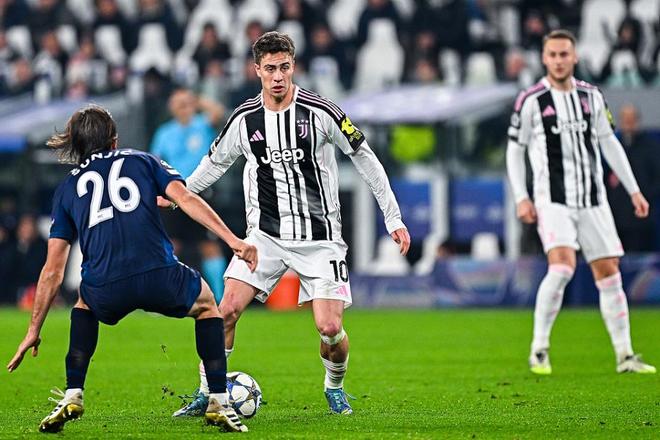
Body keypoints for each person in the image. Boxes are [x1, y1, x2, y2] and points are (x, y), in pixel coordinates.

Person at [168, 31, 410, 416]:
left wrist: (392, 215)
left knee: (330, 329)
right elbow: (213, 165)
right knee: (224, 310)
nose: (278, 76)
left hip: (320, 240)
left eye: (284, 67)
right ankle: (206, 392)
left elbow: (364, 157)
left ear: (293, 66)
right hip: (264, 238)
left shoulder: (321, 112)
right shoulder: (245, 119)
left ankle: (334, 386)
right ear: (257, 70)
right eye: (270, 69)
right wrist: (177, 195)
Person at [6, 105, 258, 433]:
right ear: (114, 140)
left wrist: (33, 329)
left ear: (76, 145)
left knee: (83, 305)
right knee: (208, 305)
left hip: (105, 286)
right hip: (158, 273)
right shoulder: (142, 160)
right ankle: (219, 401)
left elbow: (53, 269)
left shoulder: (67, 188)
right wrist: (233, 240)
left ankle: (73, 393)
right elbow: (186, 199)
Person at [506, 29, 656, 375]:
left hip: (593, 199)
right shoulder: (531, 100)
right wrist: (521, 197)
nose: (559, 60)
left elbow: (609, 142)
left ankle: (625, 355)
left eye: (564, 54)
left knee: (609, 272)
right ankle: (539, 349)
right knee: (562, 267)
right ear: (544, 59)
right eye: (553, 55)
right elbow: (515, 149)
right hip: (552, 199)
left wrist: (633, 190)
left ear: (574, 57)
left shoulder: (592, 96)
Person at [151, 88, 226, 299]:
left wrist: (199, 101)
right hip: (175, 193)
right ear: (171, 108)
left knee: (209, 245)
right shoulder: (165, 132)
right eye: (178, 103)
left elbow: (219, 112)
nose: (183, 107)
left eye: (186, 103)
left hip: (202, 192)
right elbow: (155, 161)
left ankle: (220, 298)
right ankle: (165, 296)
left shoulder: (203, 124)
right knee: (170, 245)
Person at [605, 104, 660, 252]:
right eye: (625, 119)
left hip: (642, 218)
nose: (628, 123)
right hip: (615, 218)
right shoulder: (612, 147)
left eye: (631, 119)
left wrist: (646, 196)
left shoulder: (651, 147)